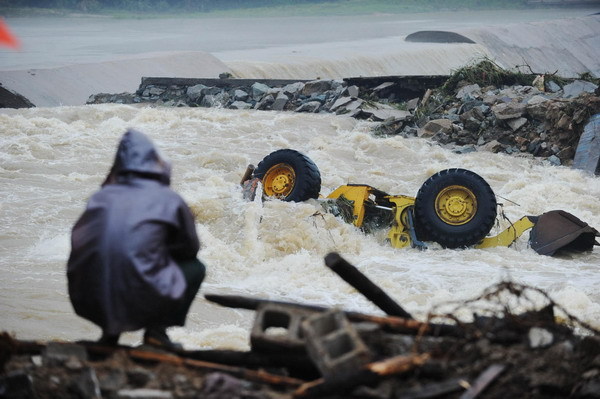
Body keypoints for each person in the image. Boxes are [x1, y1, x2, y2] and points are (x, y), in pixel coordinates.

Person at [67, 129, 205, 350]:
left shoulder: (101, 197)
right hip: (141, 295)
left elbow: (81, 241)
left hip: (86, 296)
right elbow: (189, 248)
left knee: (109, 262)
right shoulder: (168, 199)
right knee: (195, 268)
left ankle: (109, 335)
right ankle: (156, 333)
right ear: (154, 161)